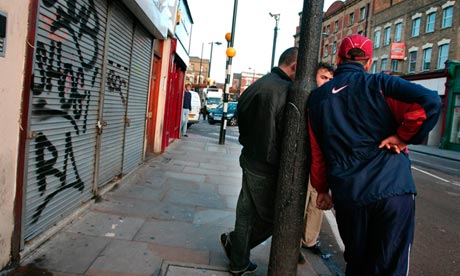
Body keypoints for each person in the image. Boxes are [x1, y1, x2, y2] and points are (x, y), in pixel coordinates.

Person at [308, 34, 442, 276]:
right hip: (392, 189)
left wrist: (321, 189)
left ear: (338, 58)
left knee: (358, 263)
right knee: (391, 265)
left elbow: (318, 153)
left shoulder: (317, 99)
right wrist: (403, 136)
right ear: (368, 62)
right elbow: (429, 101)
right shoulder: (381, 85)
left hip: (350, 194)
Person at [220, 47, 298, 276]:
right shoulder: (285, 90)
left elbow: (241, 121)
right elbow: (279, 134)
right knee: (276, 218)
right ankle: (236, 246)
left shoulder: (258, 84)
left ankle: (238, 262)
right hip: (265, 166)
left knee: (245, 212)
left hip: (249, 158)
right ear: (294, 66)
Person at [301, 62, 334, 254]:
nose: (327, 82)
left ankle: (310, 241)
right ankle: (293, 243)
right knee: (301, 202)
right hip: (305, 161)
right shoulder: (308, 98)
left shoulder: (331, 101)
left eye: (330, 79)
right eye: (323, 77)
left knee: (317, 204)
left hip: (321, 163)